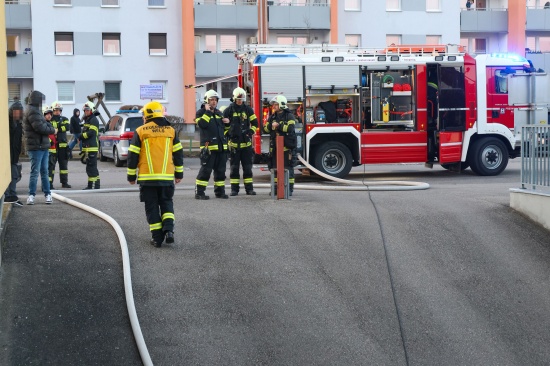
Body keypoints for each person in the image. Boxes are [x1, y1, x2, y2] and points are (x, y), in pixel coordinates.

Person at [127, 101, 184, 248]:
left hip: (148, 179)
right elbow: (178, 154)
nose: (143, 118)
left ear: (148, 115)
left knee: (152, 207)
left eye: (144, 115)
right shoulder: (171, 131)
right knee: (166, 203)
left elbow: (133, 155)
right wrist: (179, 173)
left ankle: (157, 238)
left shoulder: (141, 131)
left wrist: (131, 176)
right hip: (166, 178)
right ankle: (169, 230)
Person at [195, 89, 230, 200]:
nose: (213, 102)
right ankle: (199, 192)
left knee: (220, 171)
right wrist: (208, 112)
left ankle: (220, 192)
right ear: (206, 100)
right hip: (208, 148)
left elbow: (224, 131)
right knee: (206, 171)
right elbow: (202, 124)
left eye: (215, 100)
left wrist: (227, 124)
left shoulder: (219, 113)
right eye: (211, 100)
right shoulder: (200, 112)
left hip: (221, 148)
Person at [223, 87, 258, 196]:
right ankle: (234, 190)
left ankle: (249, 189)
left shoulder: (248, 110)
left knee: (247, 168)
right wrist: (228, 132)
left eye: (242, 99)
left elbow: (256, 124)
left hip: (246, 145)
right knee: (234, 169)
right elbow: (223, 128)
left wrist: (250, 132)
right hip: (233, 146)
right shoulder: (228, 110)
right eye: (238, 99)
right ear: (234, 98)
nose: (240, 101)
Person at [22, 90, 55, 205]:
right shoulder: (33, 111)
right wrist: (53, 130)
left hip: (42, 146)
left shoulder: (36, 111)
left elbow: (46, 124)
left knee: (44, 171)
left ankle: (47, 194)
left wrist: (49, 127)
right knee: (36, 172)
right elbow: (41, 128)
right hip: (36, 147)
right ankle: (31, 195)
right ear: (37, 100)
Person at [264, 95, 297, 196]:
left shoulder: (289, 116)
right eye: (274, 104)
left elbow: (290, 128)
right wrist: (271, 126)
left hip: (287, 149)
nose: (274, 106)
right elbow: (265, 129)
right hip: (275, 148)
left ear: (281, 104)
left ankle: (289, 189)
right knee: (275, 169)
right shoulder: (272, 117)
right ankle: (275, 189)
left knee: (288, 169)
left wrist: (279, 126)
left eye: (276, 104)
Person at [3, 97, 24, 206]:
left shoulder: (19, 124)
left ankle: (12, 195)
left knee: (14, 175)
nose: (17, 114)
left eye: (19, 112)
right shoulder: (6, 123)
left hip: (14, 155)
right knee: (7, 176)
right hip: (7, 155)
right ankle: (6, 196)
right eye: (15, 111)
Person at [48, 101, 72, 189]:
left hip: (63, 147)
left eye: (59, 110)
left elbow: (67, 127)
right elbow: (49, 128)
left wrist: (57, 129)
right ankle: (49, 184)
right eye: (55, 110)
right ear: (52, 110)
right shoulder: (50, 119)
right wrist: (59, 128)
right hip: (53, 147)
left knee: (63, 166)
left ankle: (64, 183)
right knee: (51, 166)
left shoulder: (65, 118)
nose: (57, 112)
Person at [80, 101, 101, 190]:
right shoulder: (88, 119)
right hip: (88, 147)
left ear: (91, 110)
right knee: (89, 168)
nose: (86, 111)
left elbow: (91, 133)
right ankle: (91, 185)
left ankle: (95, 186)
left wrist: (82, 136)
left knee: (92, 167)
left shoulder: (94, 120)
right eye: (85, 110)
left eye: (87, 110)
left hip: (92, 147)